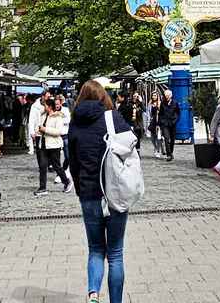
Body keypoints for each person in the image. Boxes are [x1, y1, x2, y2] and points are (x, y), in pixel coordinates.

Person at [67, 80, 130, 303]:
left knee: (95, 249)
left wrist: (79, 187)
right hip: (115, 192)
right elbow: (131, 148)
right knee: (115, 253)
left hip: (89, 193)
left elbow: (73, 162)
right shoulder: (113, 118)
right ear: (103, 96)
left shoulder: (75, 123)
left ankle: (93, 293)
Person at [37, 96, 72, 194]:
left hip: (54, 145)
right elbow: (40, 126)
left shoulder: (58, 117)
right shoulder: (44, 115)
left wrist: (45, 129)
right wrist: (38, 131)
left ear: (50, 107)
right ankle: (42, 188)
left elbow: (58, 132)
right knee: (42, 166)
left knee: (56, 166)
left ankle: (67, 182)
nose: (44, 107)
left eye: (45, 105)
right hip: (43, 144)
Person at [28, 90, 51, 192]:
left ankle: (65, 180)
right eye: (47, 96)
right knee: (41, 160)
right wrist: (32, 132)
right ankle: (43, 186)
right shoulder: (35, 106)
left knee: (49, 161)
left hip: (49, 134)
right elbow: (31, 119)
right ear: (42, 96)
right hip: (39, 134)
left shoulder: (50, 104)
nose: (48, 98)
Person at [159, 89, 180, 161]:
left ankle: (171, 152)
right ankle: (168, 155)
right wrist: (161, 122)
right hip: (165, 124)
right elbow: (160, 113)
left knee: (172, 140)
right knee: (166, 138)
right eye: (166, 96)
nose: (167, 97)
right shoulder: (163, 103)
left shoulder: (175, 103)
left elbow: (178, 113)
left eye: (168, 95)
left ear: (171, 96)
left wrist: (175, 120)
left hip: (172, 123)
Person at [147, 92, 163, 157]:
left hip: (159, 121)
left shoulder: (160, 103)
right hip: (152, 122)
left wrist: (158, 107)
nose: (154, 97)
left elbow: (162, 112)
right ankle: (155, 147)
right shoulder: (150, 104)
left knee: (159, 137)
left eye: (155, 95)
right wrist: (148, 121)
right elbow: (148, 113)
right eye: (153, 95)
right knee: (152, 137)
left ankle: (158, 150)